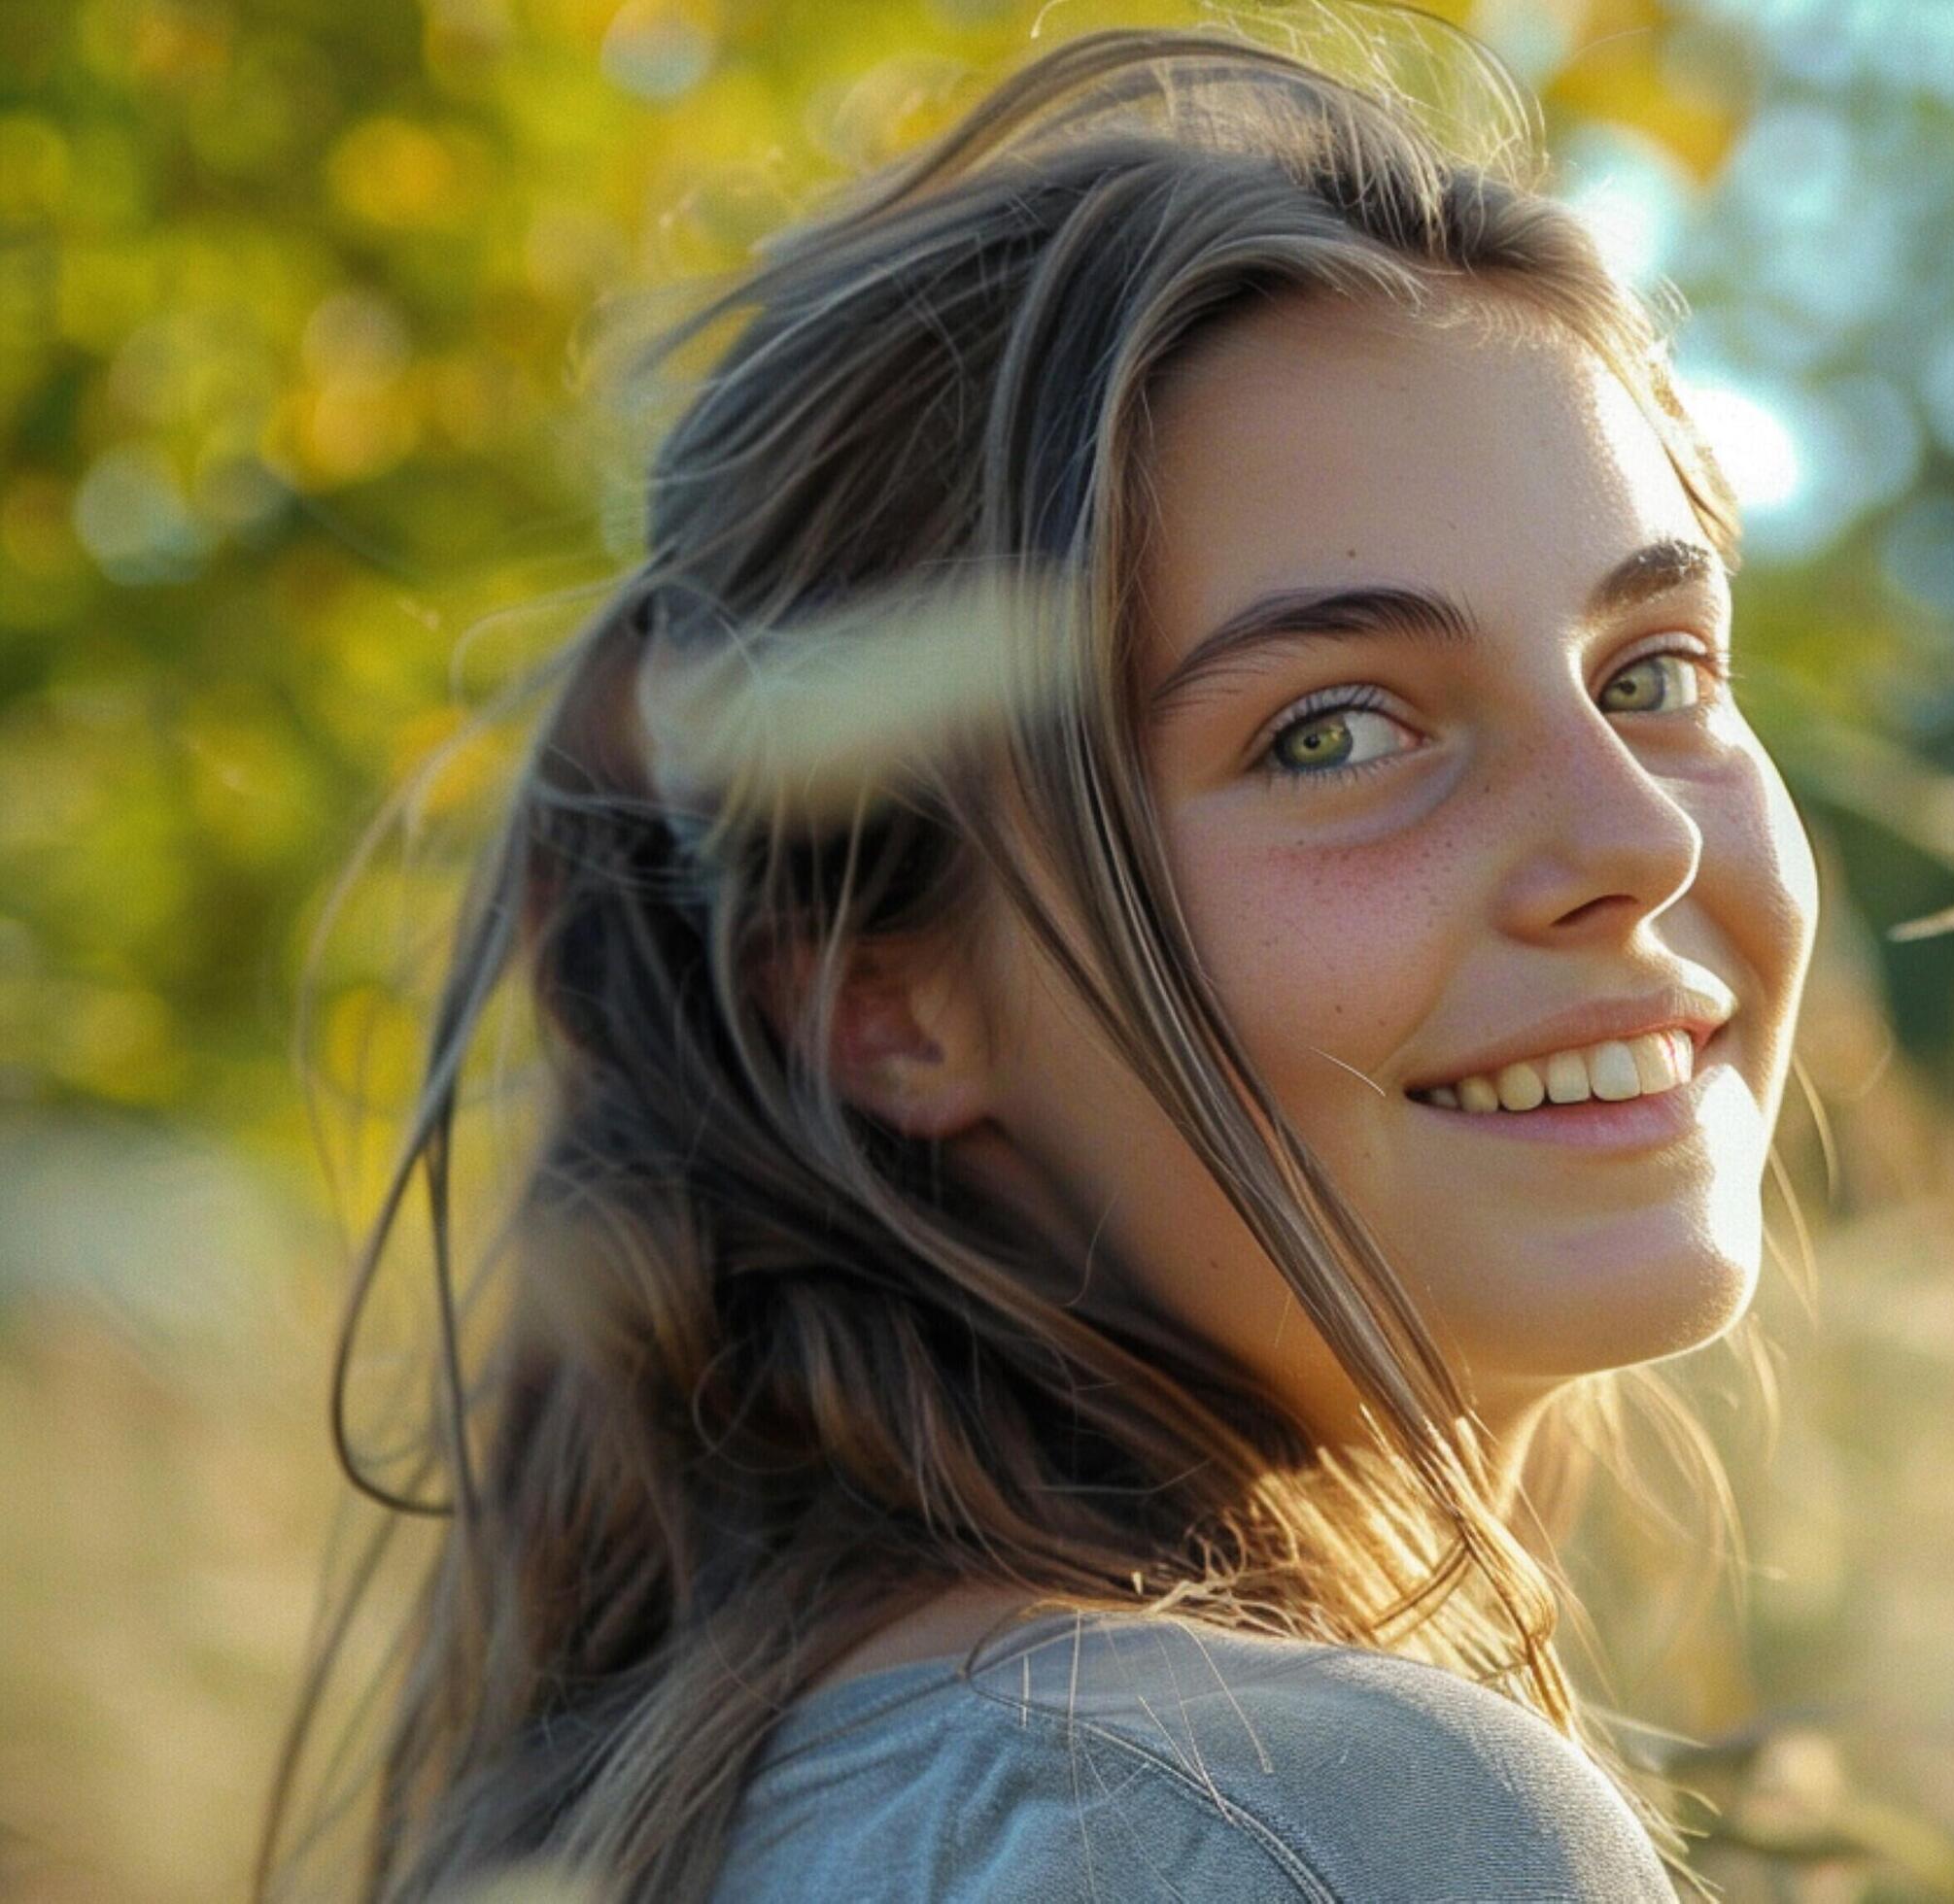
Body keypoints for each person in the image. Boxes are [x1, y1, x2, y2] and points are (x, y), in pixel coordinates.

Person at [259, 19, 1820, 1900]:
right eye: (1334, 730)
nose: (1638, 836)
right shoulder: (1314, 1820)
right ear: (889, 1001)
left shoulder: (707, 1804)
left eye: (1656, 674)